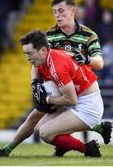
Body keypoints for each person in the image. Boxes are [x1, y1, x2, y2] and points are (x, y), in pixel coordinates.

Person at [0, 0, 112, 157]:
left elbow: (99, 63)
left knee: (45, 131)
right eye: (55, 12)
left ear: (73, 10)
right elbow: (36, 62)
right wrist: (35, 83)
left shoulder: (88, 35)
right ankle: (7, 149)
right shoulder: (49, 36)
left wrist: (87, 59)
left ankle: (90, 139)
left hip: (80, 90)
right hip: (61, 87)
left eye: (61, 11)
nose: (57, 15)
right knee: (37, 123)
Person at [20, 29, 104, 157]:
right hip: (78, 98)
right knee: (38, 128)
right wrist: (35, 82)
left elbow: (71, 100)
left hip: (88, 106)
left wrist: (47, 99)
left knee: (45, 133)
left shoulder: (56, 66)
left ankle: (88, 149)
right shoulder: (49, 58)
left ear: (43, 50)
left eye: (29, 53)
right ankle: (65, 146)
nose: (27, 57)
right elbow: (35, 68)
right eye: (25, 53)